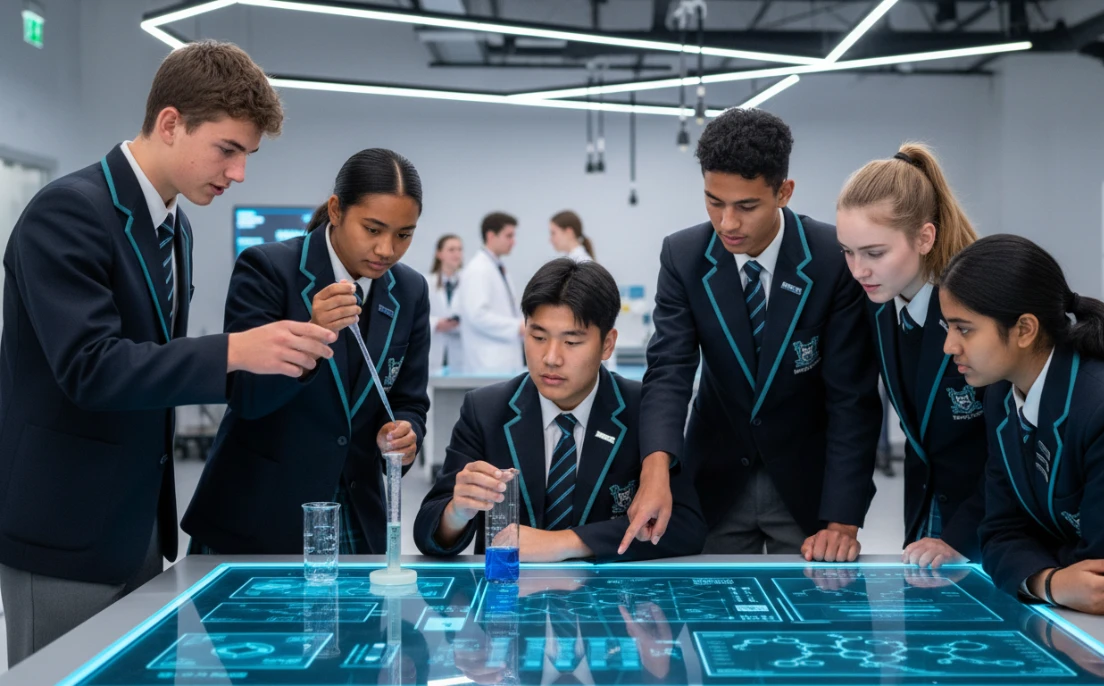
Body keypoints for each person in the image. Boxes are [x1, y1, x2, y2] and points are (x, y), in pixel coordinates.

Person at [0, 41, 337, 667]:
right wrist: (234, 351)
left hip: (139, 530)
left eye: (248, 156)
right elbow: (91, 368)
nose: (238, 174)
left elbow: (149, 363)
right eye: (228, 150)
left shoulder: (174, 226)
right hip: (64, 528)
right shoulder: (67, 213)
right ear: (171, 123)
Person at [633, 108, 881, 559]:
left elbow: (852, 397)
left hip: (808, 488)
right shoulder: (684, 256)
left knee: (812, 620)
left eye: (746, 206)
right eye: (714, 202)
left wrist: (842, 519)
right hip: (716, 482)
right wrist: (656, 472)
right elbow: (669, 371)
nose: (727, 223)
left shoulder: (831, 259)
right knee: (709, 617)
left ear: (784, 192)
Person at [941, 234, 1104, 660]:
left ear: (1024, 329)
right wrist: (1052, 581)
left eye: (963, 328)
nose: (950, 346)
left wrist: (1039, 565)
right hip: (1087, 630)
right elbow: (998, 530)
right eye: (948, 327)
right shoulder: (1002, 398)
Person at [183, 148, 430, 555]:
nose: (387, 249)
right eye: (373, 229)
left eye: (404, 234)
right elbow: (246, 395)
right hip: (260, 513)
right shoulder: (268, 269)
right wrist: (312, 335)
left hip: (355, 512)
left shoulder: (409, 291)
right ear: (336, 210)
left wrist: (405, 433)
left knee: (359, 620)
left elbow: (408, 399)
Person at [414, 258, 706, 561]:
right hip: (511, 600)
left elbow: (685, 528)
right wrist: (457, 512)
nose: (551, 358)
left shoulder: (642, 409)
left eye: (571, 341)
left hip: (607, 602)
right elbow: (428, 533)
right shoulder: (487, 410)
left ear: (607, 344)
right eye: (538, 337)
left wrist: (566, 542)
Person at [836, 143, 987, 567]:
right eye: (848, 251)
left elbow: (1012, 451)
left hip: (990, 524)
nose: (857, 270)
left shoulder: (980, 313)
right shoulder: (880, 304)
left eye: (874, 253)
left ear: (925, 237)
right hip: (925, 521)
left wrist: (958, 537)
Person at [458, 212, 523, 373]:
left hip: (503, 359)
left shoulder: (497, 267)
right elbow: (477, 315)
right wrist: (518, 327)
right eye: (509, 236)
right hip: (488, 363)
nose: (513, 242)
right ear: (491, 236)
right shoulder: (478, 269)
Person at [426, 233, 464, 372]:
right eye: (451, 249)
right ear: (439, 253)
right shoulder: (426, 282)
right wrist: (437, 323)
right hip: (435, 347)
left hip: (460, 350)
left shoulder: (469, 282)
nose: (457, 254)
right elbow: (416, 316)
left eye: (460, 249)